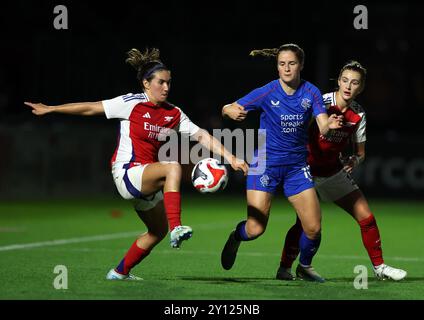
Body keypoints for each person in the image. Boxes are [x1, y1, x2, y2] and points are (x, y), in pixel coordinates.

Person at [25, 47, 248, 280]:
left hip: (146, 179)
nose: (166, 87)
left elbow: (201, 135)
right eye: (161, 82)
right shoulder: (131, 103)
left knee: (156, 231)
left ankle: (120, 272)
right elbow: (91, 107)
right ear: (145, 83)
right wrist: (51, 108)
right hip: (127, 172)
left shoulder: (173, 113)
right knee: (172, 166)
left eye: (169, 83)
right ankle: (177, 227)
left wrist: (231, 158)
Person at [220, 44, 343, 282]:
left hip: (296, 166)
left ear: (301, 65)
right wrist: (229, 112)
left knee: (313, 227)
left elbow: (322, 124)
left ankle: (302, 267)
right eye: (281, 64)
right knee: (255, 229)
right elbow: (228, 107)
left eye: (292, 63)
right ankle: (236, 237)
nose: (286, 68)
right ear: (277, 66)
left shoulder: (311, 92)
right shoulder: (267, 91)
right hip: (265, 163)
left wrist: (330, 126)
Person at [276, 61, 407, 281]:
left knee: (367, 217)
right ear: (338, 81)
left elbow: (360, 153)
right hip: (305, 170)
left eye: (354, 82)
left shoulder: (358, 115)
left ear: (361, 87)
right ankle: (285, 268)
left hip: (332, 172)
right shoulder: (320, 103)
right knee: (305, 225)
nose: (348, 86)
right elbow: (292, 131)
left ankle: (379, 267)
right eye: (345, 80)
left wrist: (355, 160)